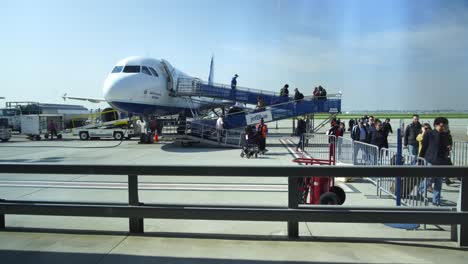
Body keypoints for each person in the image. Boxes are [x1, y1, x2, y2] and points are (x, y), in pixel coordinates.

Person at [419, 117, 452, 206]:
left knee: (439, 181)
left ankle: (436, 201)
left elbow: (449, 145)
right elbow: (424, 147)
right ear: (436, 125)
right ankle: (420, 190)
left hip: (442, 161)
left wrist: (449, 147)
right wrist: (420, 159)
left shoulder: (447, 135)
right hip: (431, 160)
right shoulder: (429, 134)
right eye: (442, 125)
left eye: (445, 125)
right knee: (429, 179)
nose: (444, 127)